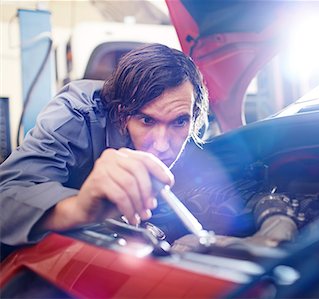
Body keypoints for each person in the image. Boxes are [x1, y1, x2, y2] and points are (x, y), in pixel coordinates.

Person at [0, 43, 209, 246]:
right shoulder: (74, 115)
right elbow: (5, 199)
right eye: (147, 120)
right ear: (121, 113)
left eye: (179, 122)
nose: (163, 145)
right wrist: (80, 208)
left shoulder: (189, 116)